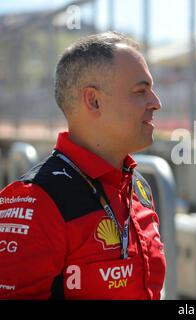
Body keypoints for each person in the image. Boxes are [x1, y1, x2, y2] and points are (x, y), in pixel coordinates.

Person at [0, 32, 165, 299]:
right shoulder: (36, 200)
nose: (156, 103)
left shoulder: (139, 188)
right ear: (93, 100)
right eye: (141, 91)